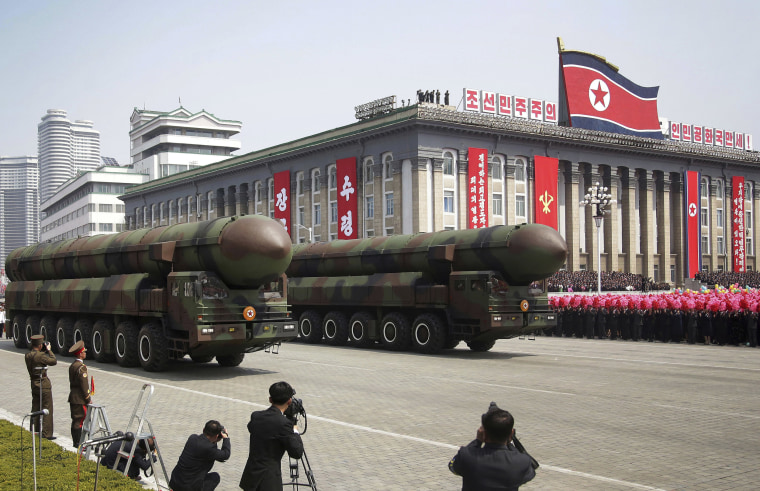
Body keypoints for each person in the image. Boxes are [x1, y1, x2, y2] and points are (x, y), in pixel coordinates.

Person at [449, 404, 535, 490]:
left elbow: (453, 467)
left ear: (483, 433)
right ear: (511, 433)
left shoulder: (467, 456)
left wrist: (477, 441)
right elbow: (530, 472)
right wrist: (511, 443)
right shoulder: (521, 461)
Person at [239, 381, 304, 491]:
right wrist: (295, 430)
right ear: (289, 401)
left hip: (251, 477)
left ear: (270, 399)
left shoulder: (256, 416)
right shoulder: (284, 424)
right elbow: (297, 453)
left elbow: (252, 428)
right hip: (268, 481)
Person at [169, 420, 230, 491]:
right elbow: (225, 455)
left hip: (175, 481)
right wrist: (226, 438)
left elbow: (209, 449)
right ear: (217, 436)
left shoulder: (192, 438)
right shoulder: (209, 449)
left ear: (203, 429)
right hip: (188, 487)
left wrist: (215, 440)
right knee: (215, 477)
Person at [25, 334, 57, 439]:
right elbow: (53, 361)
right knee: (47, 408)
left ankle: (34, 429)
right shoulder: (41, 356)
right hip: (43, 383)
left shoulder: (28, 355)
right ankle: (46, 433)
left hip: (34, 383)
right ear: (40, 345)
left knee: (35, 407)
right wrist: (49, 350)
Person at [68, 340, 91, 447]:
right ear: (81, 353)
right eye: (84, 352)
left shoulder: (73, 365)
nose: (85, 353)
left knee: (75, 420)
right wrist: (88, 398)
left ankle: (76, 442)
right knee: (80, 420)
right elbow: (84, 385)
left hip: (73, 397)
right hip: (80, 399)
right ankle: (78, 443)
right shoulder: (81, 367)